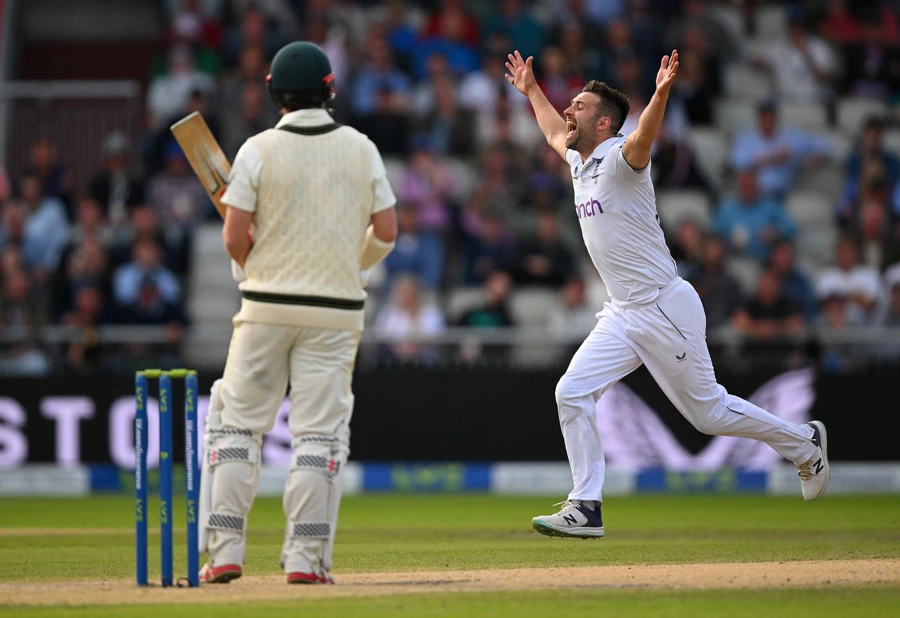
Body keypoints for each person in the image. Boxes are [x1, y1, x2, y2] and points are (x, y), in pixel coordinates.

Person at [504, 47, 830, 539]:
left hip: (663, 307)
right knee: (571, 391)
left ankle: (806, 444)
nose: (568, 111)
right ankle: (586, 506)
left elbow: (643, 138)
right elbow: (552, 130)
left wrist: (658, 94)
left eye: (579, 107)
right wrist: (531, 90)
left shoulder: (619, 158)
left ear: (604, 123)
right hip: (622, 312)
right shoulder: (579, 158)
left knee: (708, 414)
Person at [198, 42, 397, 585]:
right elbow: (387, 232)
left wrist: (250, 264)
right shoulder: (360, 147)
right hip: (336, 313)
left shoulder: (257, 149)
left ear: (272, 93)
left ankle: (225, 553)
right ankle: (306, 561)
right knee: (319, 436)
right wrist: (349, 266)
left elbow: (235, 235)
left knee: (236, 428)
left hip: (265, 307)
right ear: (329, 90)